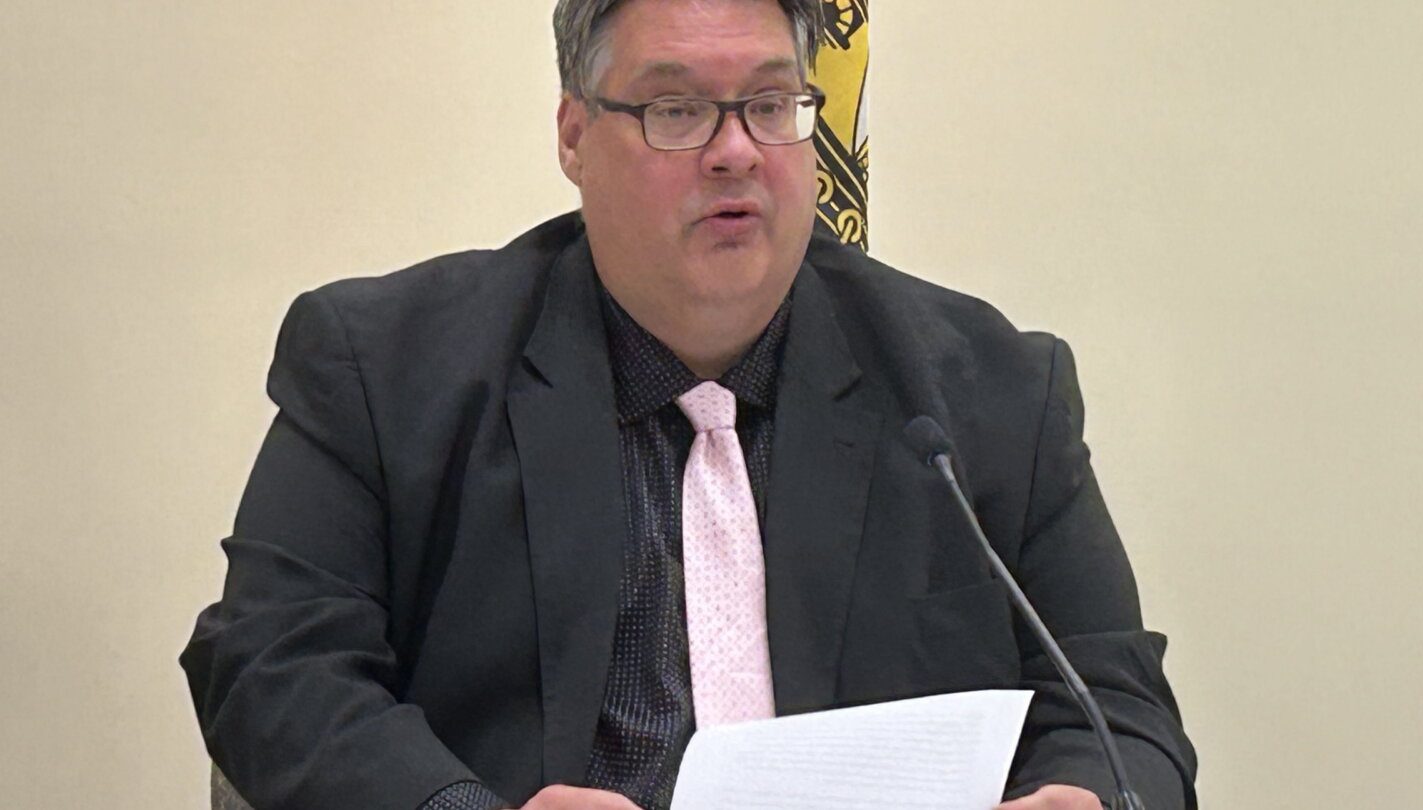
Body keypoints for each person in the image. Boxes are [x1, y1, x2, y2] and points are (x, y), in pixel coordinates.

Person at [180, 1, 1198, 808]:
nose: (736, 150)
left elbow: (1119, 709)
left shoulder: (990, 392)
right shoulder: (386, 368)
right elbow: (272, 664)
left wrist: (1085, 795)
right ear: (575, 136)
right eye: (675, 109)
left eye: (771, 104)